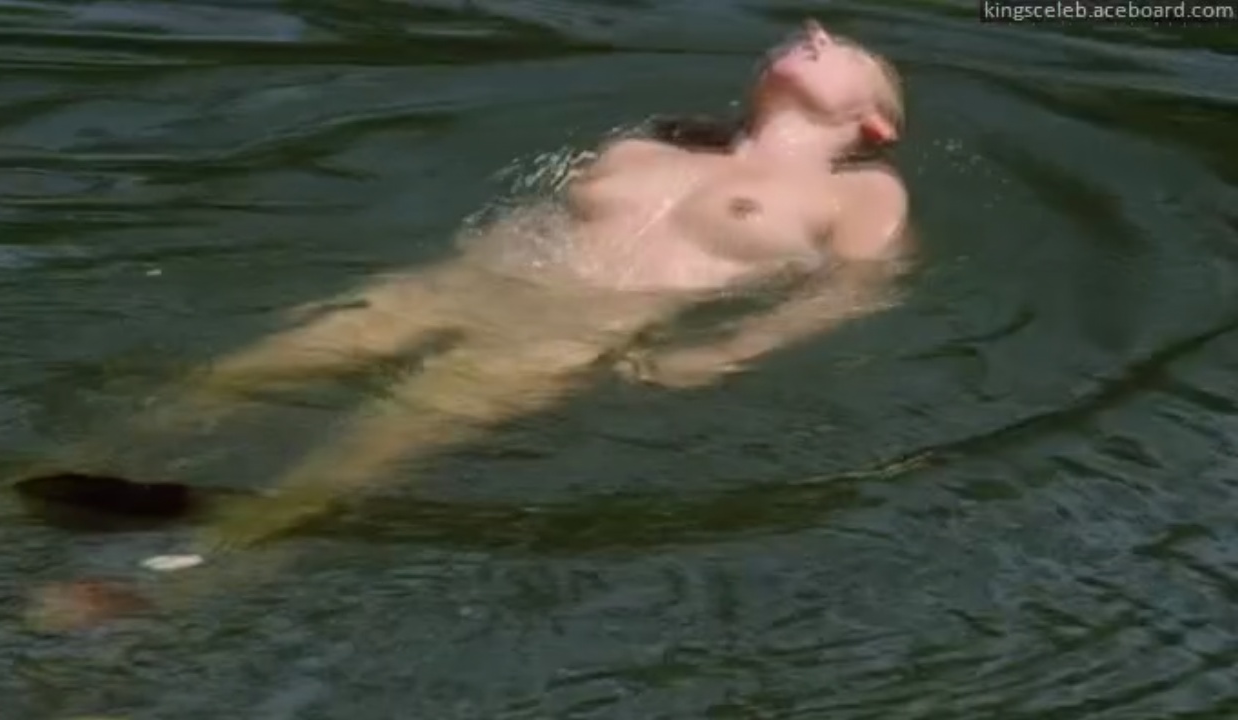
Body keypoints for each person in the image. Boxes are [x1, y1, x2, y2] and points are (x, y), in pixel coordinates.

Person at [123, 19, 913, 558]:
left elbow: (853, 291)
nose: (812, 32)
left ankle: (175, 584)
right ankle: (60, 479)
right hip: (459, 285)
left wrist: (727, 350)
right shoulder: (658, 139)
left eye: (839, 46)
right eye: (805, 33)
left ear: (875, 122)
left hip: (572, 327)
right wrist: (429, 284)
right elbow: (537, 209)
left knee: (360, 453)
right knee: (225, 378)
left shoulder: (863, 193)